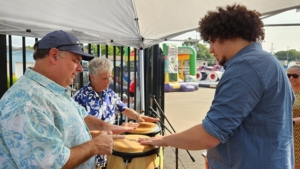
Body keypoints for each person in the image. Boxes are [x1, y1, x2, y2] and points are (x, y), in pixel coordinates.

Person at [139, 4, 295, 169]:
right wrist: (216, 155)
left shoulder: (246, 66)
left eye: (213, 40)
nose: (211, 49)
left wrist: (163, 140)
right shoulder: (270, 62)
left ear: (232, 35)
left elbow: (209, 136)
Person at [0, 30, 135, 169]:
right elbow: (51, 164)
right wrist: (94, 146)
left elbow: (81, 116)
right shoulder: (28, 102)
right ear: (54, 55)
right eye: (76, 61)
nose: (80, 69)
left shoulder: (52, 89)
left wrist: (108, 127)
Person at [73, 56, 158, 167]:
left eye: (110, 77)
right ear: (92, 76)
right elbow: (77, 132)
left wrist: (137, 116)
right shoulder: (79, 98)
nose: (109, 82)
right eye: (104, 78)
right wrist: (112, 132)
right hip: (89, 157)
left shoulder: (110, 93)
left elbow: (123, 108)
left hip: (110, 153)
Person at [287, 64, 300, 169]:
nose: (291, 78)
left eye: (295, 75)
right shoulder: (284, 92)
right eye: (288, 75)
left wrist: (292, 121)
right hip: (285, 134)